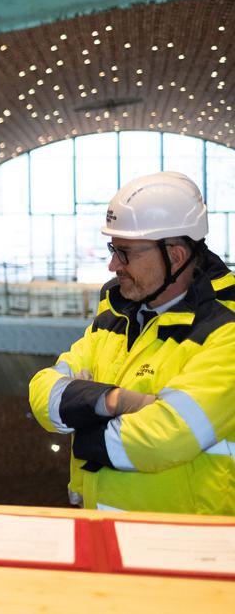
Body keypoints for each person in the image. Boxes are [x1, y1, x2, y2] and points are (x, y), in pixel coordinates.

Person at [29, 172, 235, 515]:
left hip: (185, 549)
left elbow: (161, 439)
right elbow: (42, 391)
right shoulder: (114, 321)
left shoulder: (224, 336)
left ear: (177, 255)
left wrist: (82, 420)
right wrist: (113, 401)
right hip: (102, 533)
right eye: (113, 250)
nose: (113, 265)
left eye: (125, 253)